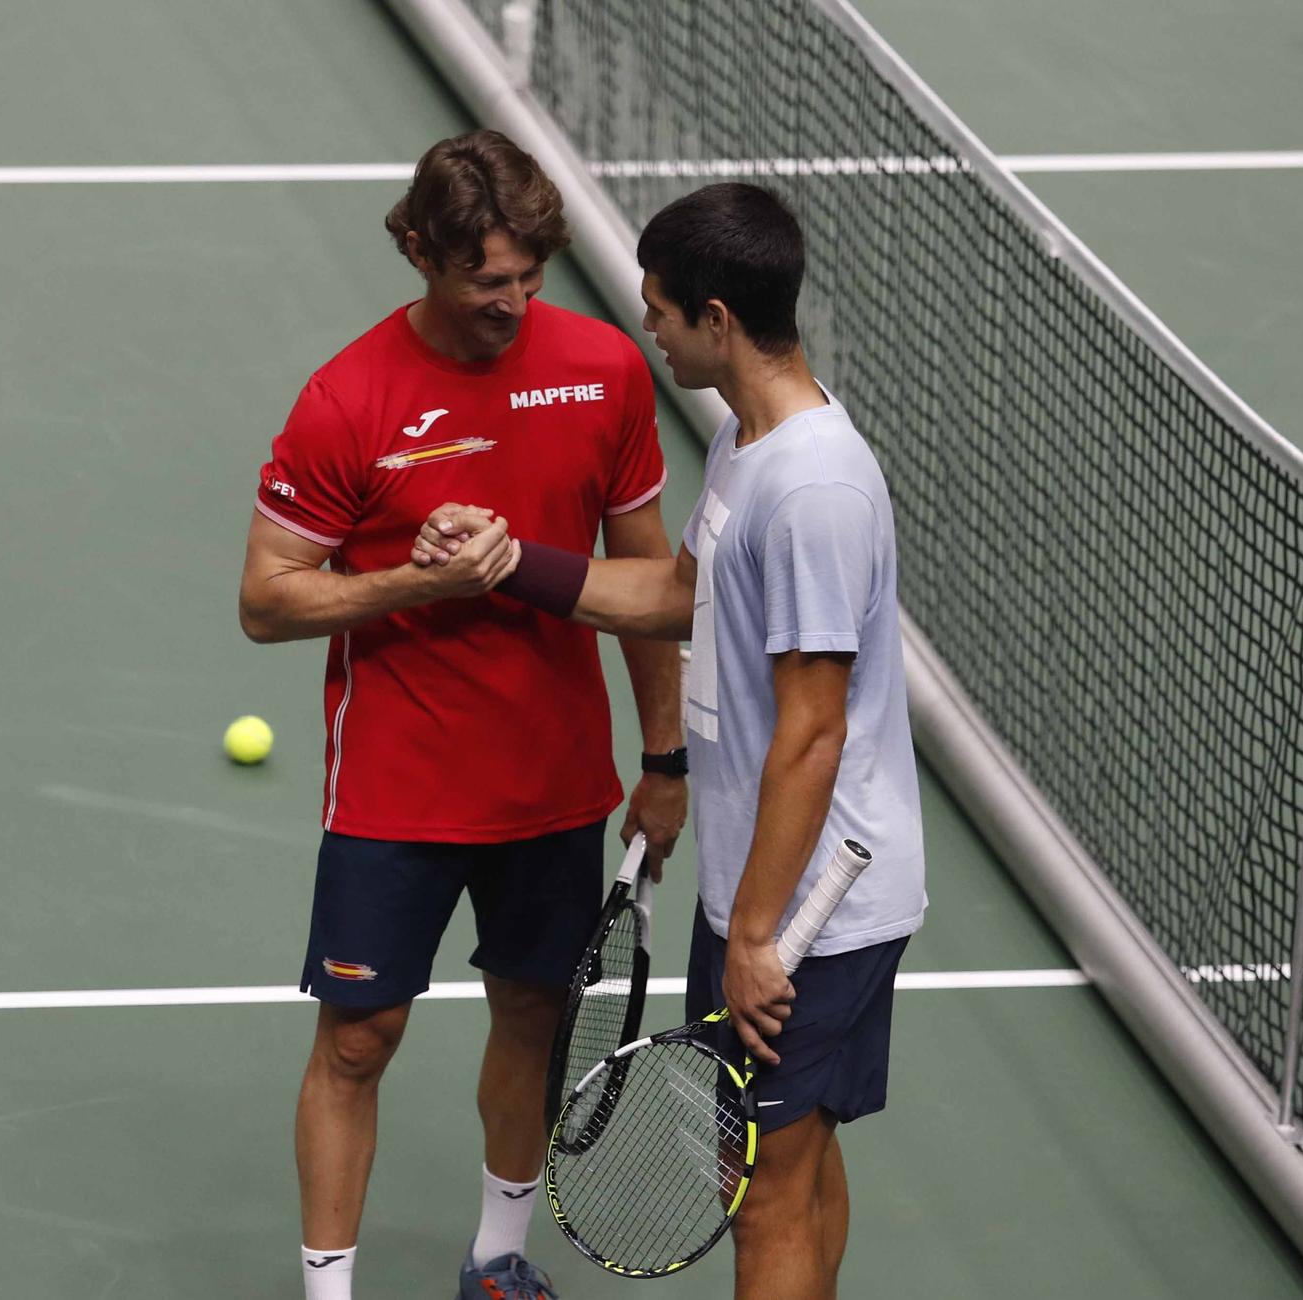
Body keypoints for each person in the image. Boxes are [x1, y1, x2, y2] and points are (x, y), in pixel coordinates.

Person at [414, 182, 926, 1300]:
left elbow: (812, 731)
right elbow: (676, 592)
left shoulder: (814, 491)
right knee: (797, 1152)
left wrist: (753, 935)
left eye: (658, 310)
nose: (644, 327)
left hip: (808, 910)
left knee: (764, 1196)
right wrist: (510, 563)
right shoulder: (751, 445)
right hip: (761, 888)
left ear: (717, 320)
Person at [239, 129, 686, 1300]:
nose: (511, 305)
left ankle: (497, 1260)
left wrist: (666, 755)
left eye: (529, 281)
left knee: (532, 1014)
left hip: (551, 779)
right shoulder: (349, 398)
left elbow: (650, 587)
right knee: (355, 1040)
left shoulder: (601, 370)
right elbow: (266, 600)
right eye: (486, 282)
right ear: (415, 250)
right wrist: (415, 582)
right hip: (396, 783)